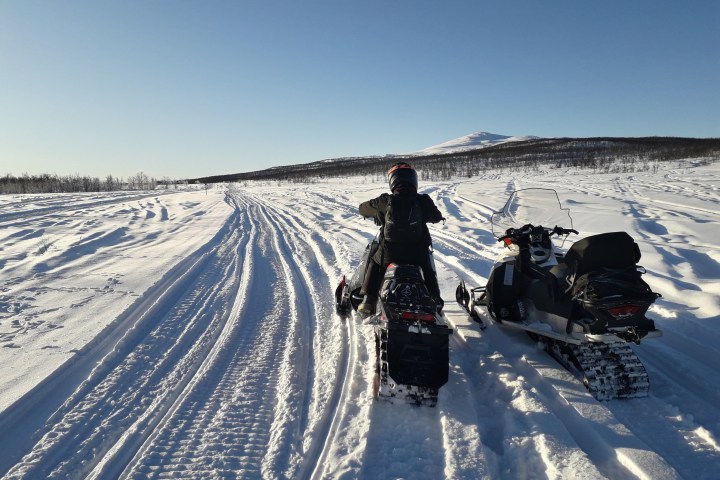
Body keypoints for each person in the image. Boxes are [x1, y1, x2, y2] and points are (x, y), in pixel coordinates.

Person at [358, 162, 445, 315]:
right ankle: (435, 299)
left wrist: (378, 213)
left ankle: (368, 300)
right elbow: (436, 217)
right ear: (413, 180)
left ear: (393, 181)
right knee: (428, 268)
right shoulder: (423, 200)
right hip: (417, 254)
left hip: (390, 253)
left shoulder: (385, 200)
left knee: (375, 262)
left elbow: (362, 208)